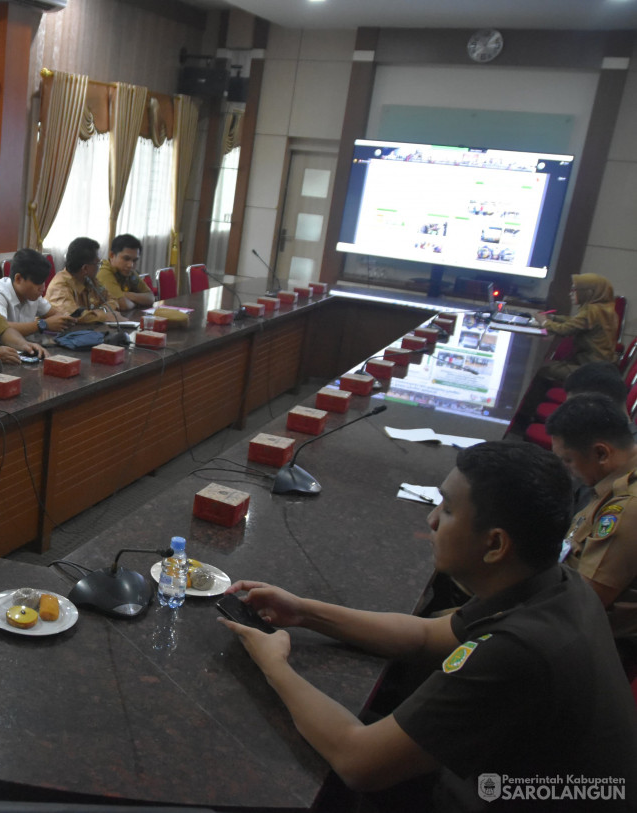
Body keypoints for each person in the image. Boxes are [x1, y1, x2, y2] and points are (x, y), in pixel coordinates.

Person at [220, 441, 637, 807]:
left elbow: (358, 760)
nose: (432, 520)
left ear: (495, 544)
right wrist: (304, 612)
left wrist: (274, 664)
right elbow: (423, 635)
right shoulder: (552, 582)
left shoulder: (518, 649)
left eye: (449, 509)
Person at [545, 393, 637, 659]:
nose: (566, 469)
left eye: (568, 460)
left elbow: (582, 604)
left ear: (600, 453)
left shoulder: (626, 509)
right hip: (567, 606)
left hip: (591, 645)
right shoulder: (616, 477)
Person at [533, 273, 619, 381]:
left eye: (574, 290)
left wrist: (544, 322)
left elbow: (564, 330)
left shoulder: (592, 310)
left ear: (588, 292)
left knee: (538, 368)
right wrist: (552, 317)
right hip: (602, 365)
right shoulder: (604, 308)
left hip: (590, 368)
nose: (570, 294)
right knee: (547, 365)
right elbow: (575, 322)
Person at [0, 248, 75, 338]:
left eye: (43, 282)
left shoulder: (32, 294)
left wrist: (63, 320)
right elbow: (0, 327)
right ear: (18, 279)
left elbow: (54, 314)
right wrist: (43, 325)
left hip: (23, 347)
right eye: (38, 282)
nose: (43, 288)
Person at [45, 237, 118, 324]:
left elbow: (113, 300)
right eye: (98, 263)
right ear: (85, 268)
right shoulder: (59, 286)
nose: (99, 267)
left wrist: (103, 310)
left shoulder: (91, 280)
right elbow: (74, 316)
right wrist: (105, 317)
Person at [96, 233, 154, 310]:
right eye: (126, 259)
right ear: (112, 255)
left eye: (135, 260)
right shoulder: (104, 272)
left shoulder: (129, 272)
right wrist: (138, 302)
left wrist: (127, 295)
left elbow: (151, 297)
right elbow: (123, 305)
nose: (131, 265)